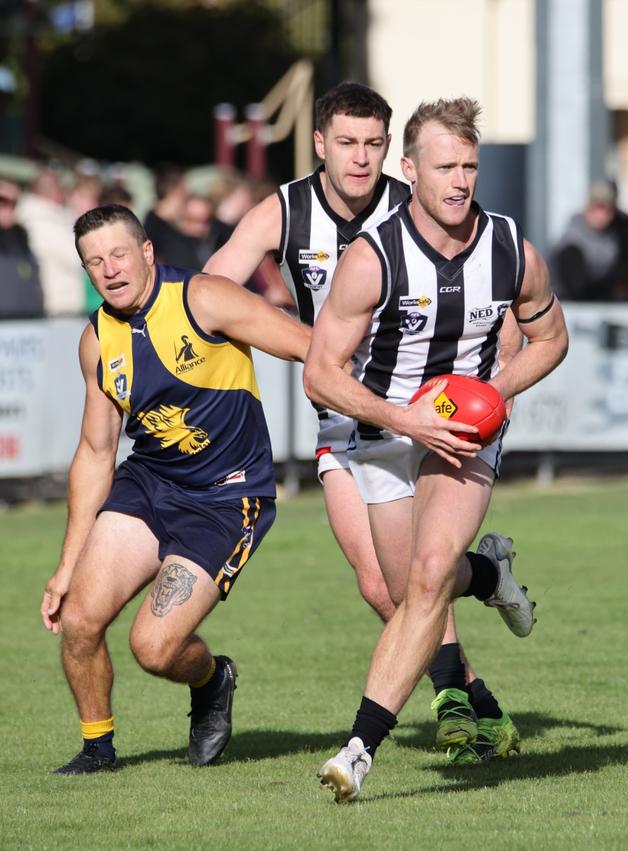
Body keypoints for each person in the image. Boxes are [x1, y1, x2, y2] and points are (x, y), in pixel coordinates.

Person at [204, 82, 526, 768]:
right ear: (319, 144)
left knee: (414, 578)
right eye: (346, 144)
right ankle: (479, 637)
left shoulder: (417, 202)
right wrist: (299, 341)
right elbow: (213, 290)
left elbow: (500, 288)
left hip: (426, 414)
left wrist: (497, 379)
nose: (360, 159)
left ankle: (459, 705)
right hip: (343, 412)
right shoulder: (285, 210)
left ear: (394, 153)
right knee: (385, 584)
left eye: (373, 145)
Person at [304, 96, 569, 802]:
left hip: (462, 440)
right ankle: (490, 575)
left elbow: (552, 339)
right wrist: (404, 418)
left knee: (425, 577)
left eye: (470, 167)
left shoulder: (513, 249)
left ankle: (360, 749)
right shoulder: (373, 258)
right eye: (444, 166)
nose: (459, 181)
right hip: (386, 432)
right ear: (409, 168)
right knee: (404, 593)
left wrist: (492, 392)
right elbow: (320, 373)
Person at [39, 204, 310, 775]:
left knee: (154, 649)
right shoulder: (96, 340)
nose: (109, 270)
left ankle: (213, 679)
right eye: (95, 262)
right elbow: (94, 453)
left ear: (146, 252)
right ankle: (98, 749)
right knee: (81, 619)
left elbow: (304, 345)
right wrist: (66, 567)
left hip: (226, 498)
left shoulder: (203, 298)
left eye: (118, 254)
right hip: (150, 484)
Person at [551, 180, 628, 301]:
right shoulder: (572, 241)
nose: (602, 215)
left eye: (607, 210)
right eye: (597, 208)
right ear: (588, 208)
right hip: (570, 306)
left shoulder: (620, 233)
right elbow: (577, 288)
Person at [16, 165, 85, 316]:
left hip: (63, 306)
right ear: (55, 192)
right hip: (57, 307)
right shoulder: (39, 222)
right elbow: (79, 256)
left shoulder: (52, 218)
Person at [0, 177, 44, 318]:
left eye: (15, 203)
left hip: (26, 328)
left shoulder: (23, 240)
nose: (9, 208)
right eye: (3, 200)